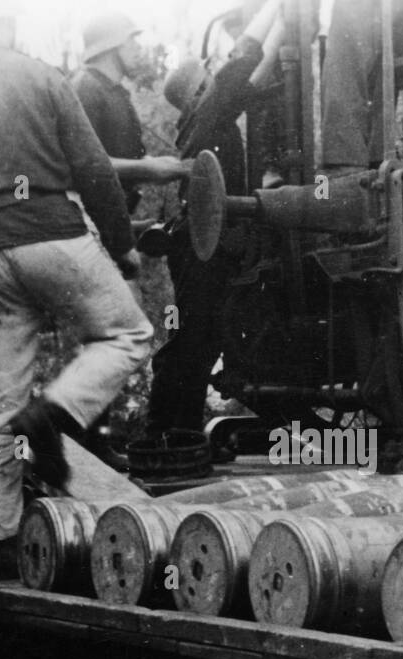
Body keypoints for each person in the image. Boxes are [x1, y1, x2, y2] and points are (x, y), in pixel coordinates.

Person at [0, 1, 153, 577]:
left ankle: (0, 543)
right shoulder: (44, 78)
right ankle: (55, 412)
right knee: (126, 333)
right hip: (52, 233)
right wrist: (121, 244)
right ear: (12, 22)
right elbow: (94, 170)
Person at [144, 57, 248, 438]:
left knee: (201, 339)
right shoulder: (206, 117)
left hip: (197, 240)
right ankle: (161, 431)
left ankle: (181, 430)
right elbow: (241, 68)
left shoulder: (197, 123)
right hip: (200, 241)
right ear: (198, 90)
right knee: (191, 336)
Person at [71, 12, 189, 211]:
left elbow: (119, 156)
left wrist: (162, 165)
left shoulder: (114, 91)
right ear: (111, 46)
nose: (138, 47)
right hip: (90, 216)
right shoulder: (86, 88)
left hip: (114, 211)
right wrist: (149, 169)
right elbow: (85, 165)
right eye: (130, 40)